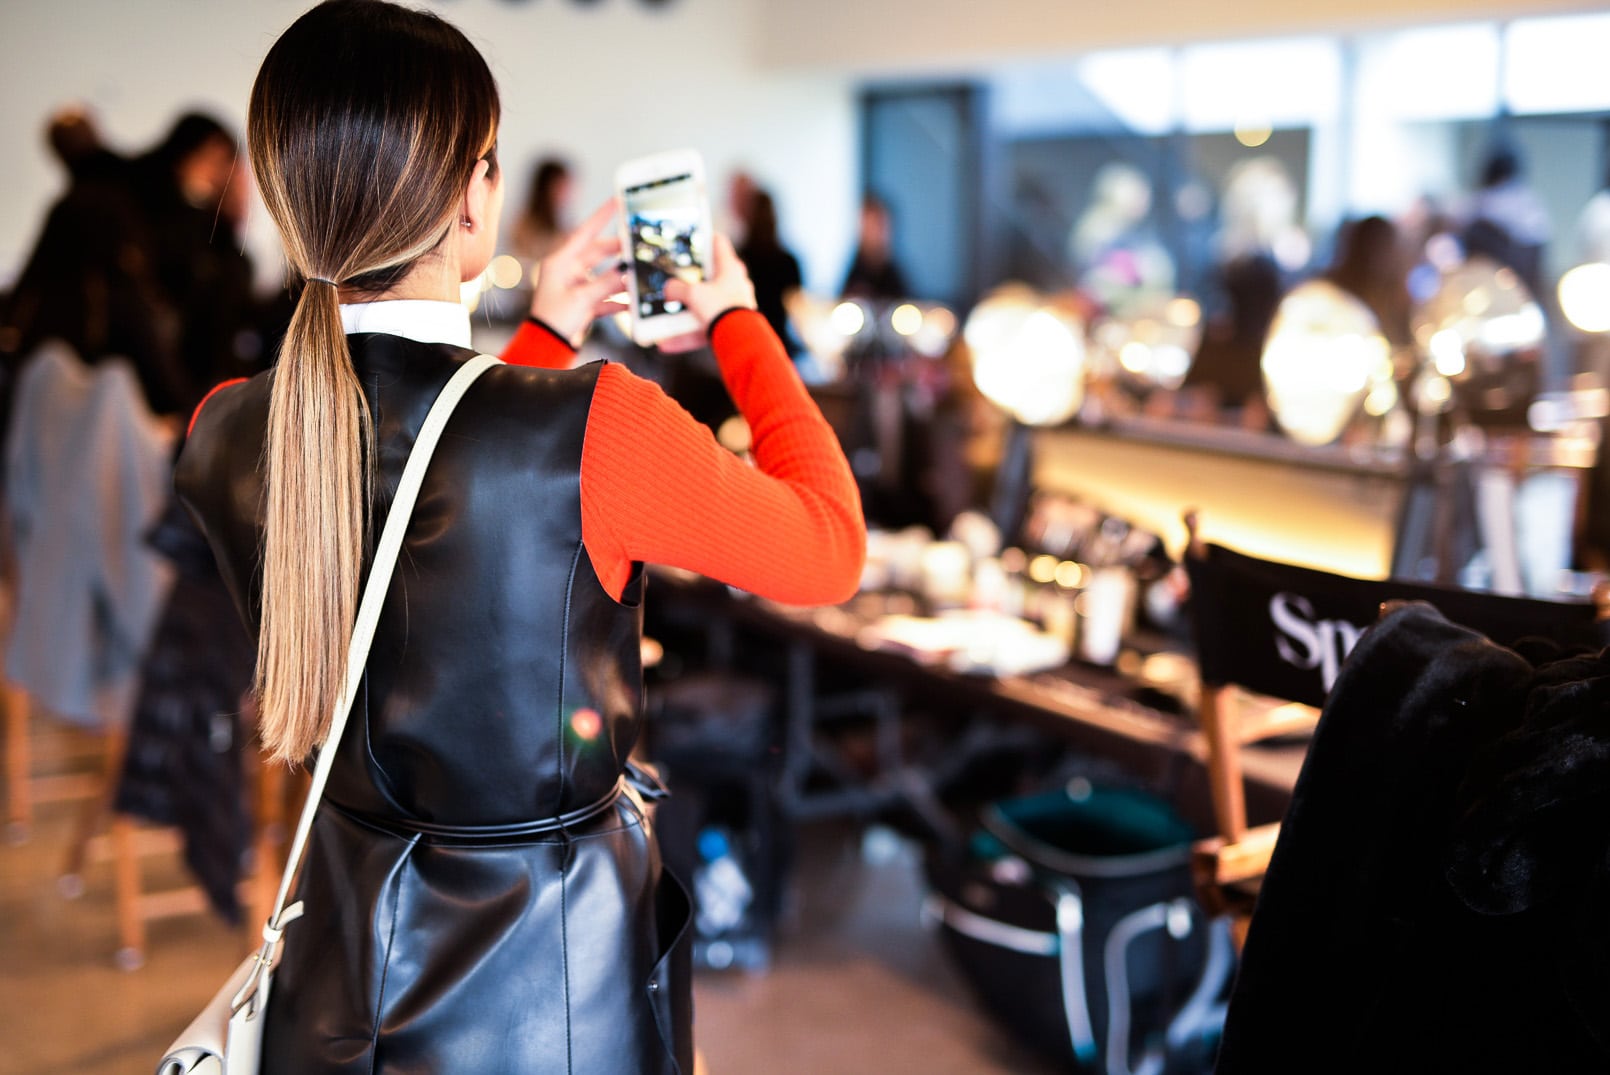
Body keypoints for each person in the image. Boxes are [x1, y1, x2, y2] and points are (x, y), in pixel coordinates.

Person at [175, 2, 865, 1071]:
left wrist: (543, 330)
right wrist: (736, 317)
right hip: (548, 991)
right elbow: (827, 545)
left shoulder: (220, 429)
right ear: (468, 198)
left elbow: (436, 501)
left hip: (339, 964)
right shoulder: (599, 425)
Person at [736, 188, 804, 357]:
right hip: (779, 343)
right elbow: (797, 310)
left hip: (748, 343)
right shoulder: (789, 262)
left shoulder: (740, 259)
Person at [841, 191, 911, 301]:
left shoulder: (894, 275)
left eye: (880, 225)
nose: (876, 232)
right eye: (870, 226)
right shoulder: (855, 275)